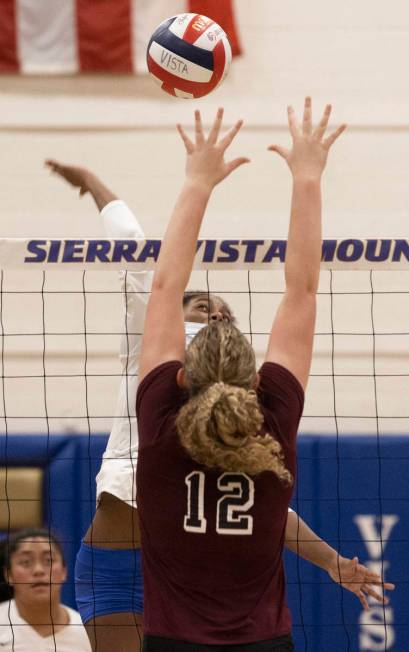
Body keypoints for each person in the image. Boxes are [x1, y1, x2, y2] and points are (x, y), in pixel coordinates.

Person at [45, 144, 393, 650]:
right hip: (124, 564)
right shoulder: (154, 346)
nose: (213, 313)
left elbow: (259, 506)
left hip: (202, 569)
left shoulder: (204, 405)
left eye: (222, 311)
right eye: (201, 304)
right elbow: (144, 262)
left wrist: (198, 180)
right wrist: (96, 186)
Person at [135, 100, 348, 650]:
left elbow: (163, 288)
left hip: (172, 642)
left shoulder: (160, 426)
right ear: (256, 381)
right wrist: (308, 176)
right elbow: (301, 288)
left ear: (181, 377)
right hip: (262, 642)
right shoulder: (273, 421)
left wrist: (196, 182)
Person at [0, 528, 91, 651]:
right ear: (8, 575)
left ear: (64, 571)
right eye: (26, 562)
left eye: (48, 561)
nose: (39, 570)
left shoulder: (89, 633)